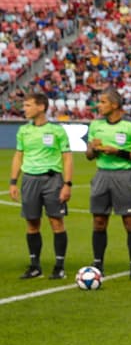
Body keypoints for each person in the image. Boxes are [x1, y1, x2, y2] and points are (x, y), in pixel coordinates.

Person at [86, 87, 131, 280]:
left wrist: (117, 152)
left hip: (123, 175)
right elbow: (88, 155)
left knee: (129, 222)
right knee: (98, 221)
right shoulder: (95, 125)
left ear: (115, 105)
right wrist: (94, 149)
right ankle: (98, 265)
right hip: (101, 175)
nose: (99, 105)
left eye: (103, 102)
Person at [10, 92, 71, 280]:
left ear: (41, 107)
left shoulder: (57, 131)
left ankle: (59, 266)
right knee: (32, 223)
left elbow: (67, 158)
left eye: (28, 105)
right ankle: (35, 266)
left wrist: (67, 184)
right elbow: (18, 155)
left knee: (56, 221)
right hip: (29, 180)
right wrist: (13, 181)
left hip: (52, 180)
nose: (24, 109)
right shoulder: (24, 131)